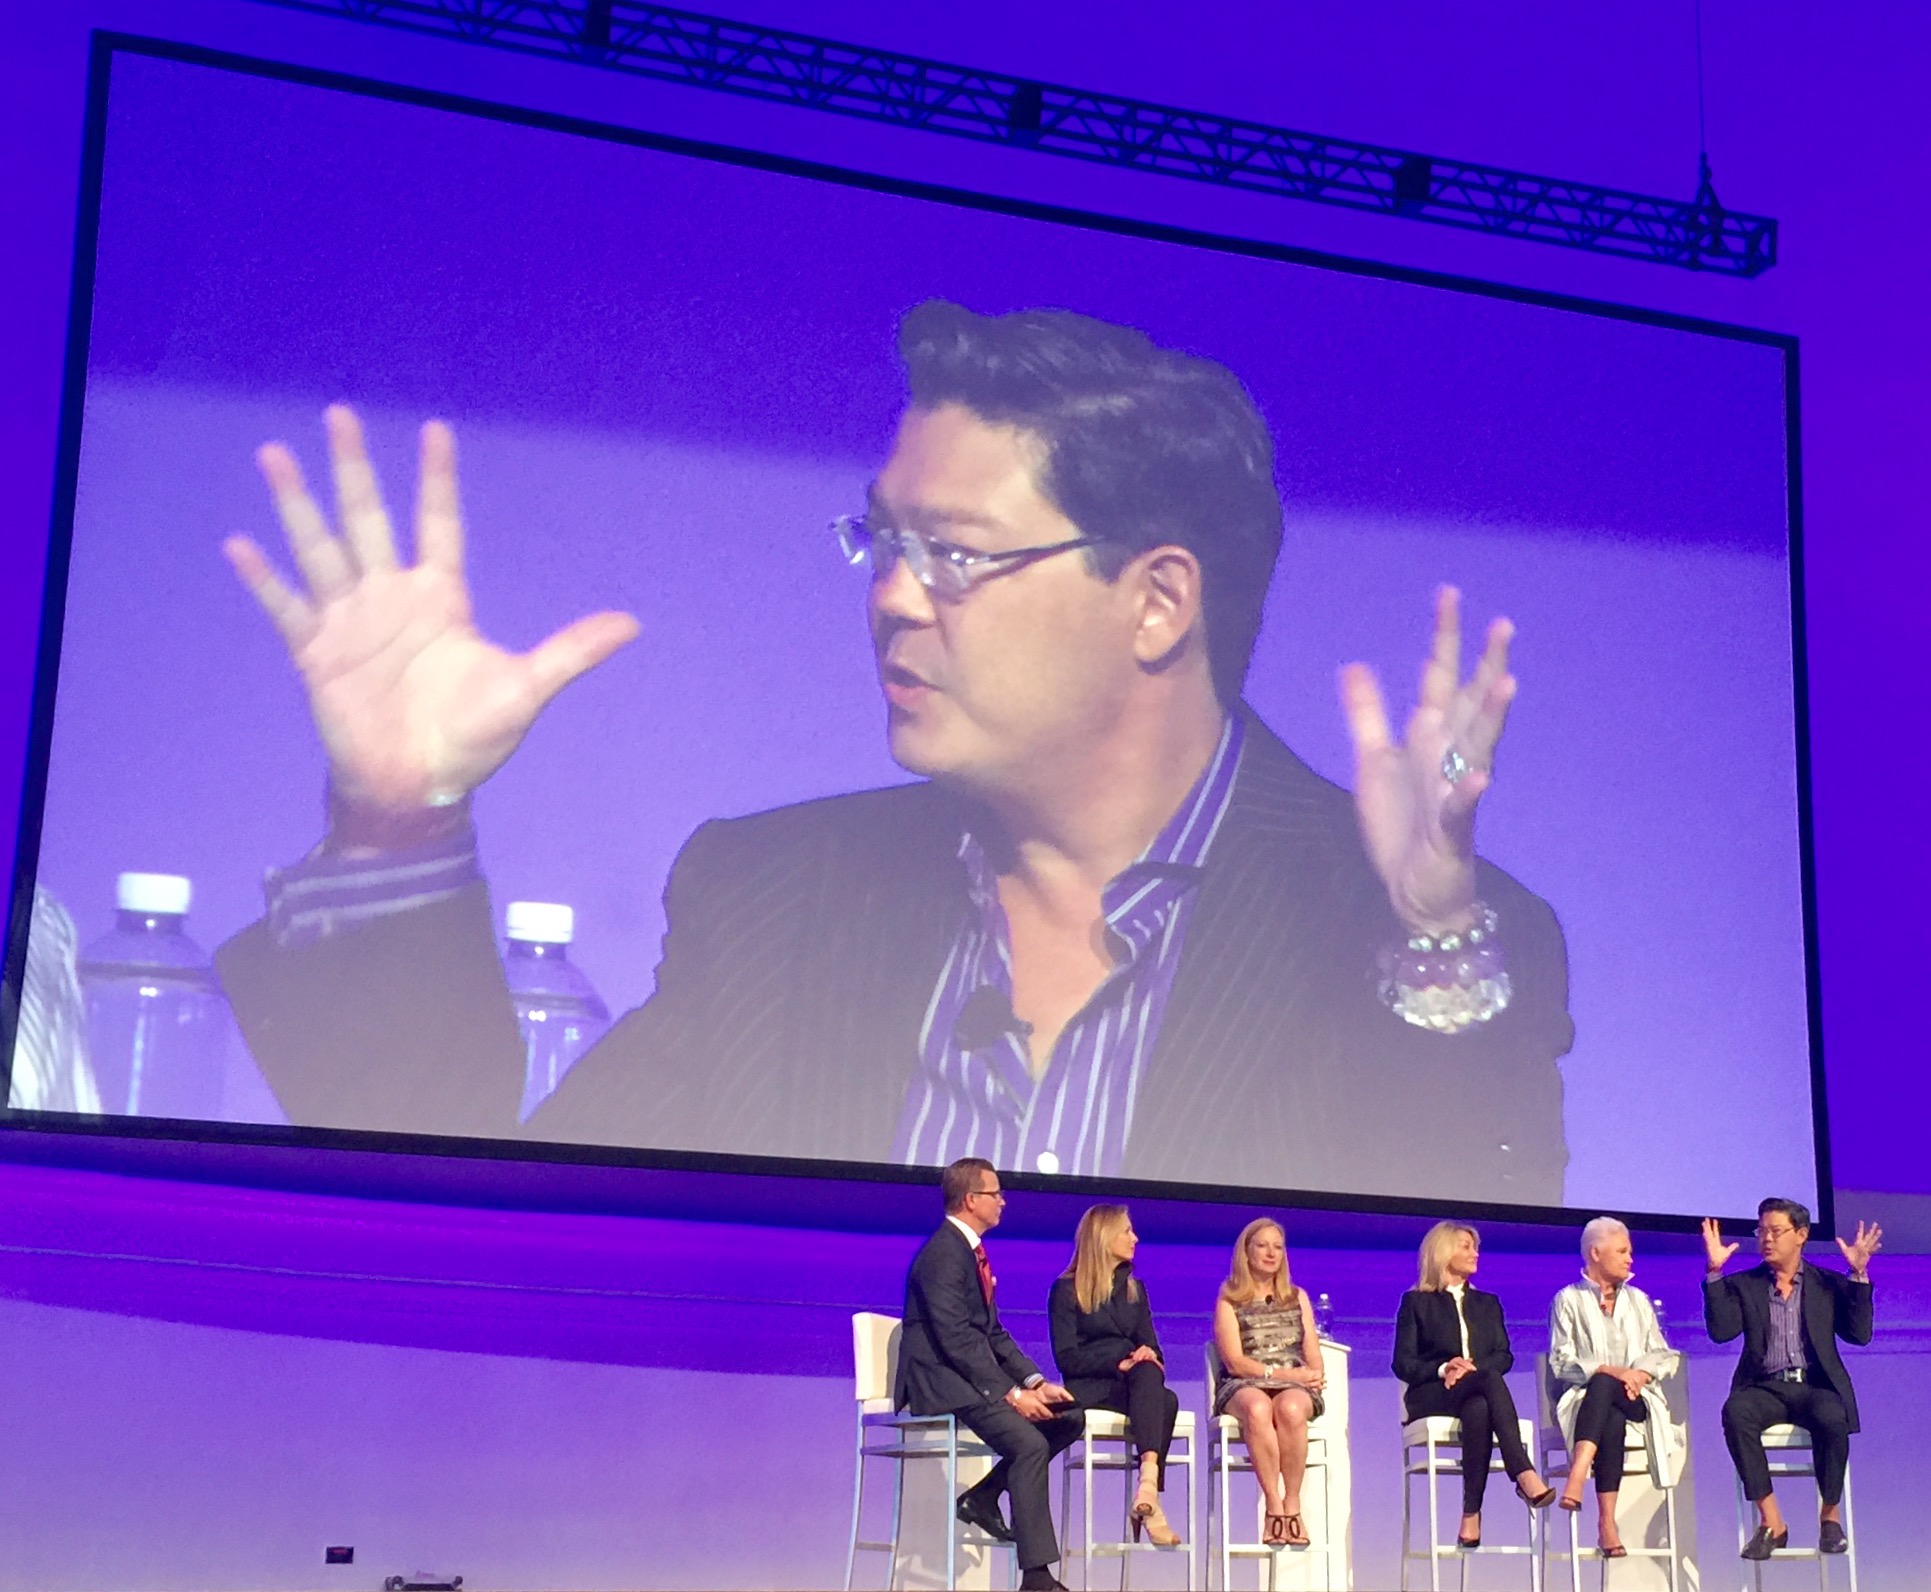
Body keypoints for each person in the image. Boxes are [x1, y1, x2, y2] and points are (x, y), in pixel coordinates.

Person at [213, 301, 1572, 1199]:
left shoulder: (1406, 931)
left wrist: (1427, 933)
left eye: (955, 555)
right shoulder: (772, 896)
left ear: (1157, 602)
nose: (891, 596)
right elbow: (503, 1231)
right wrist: (394, 820)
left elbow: (1456, 1303)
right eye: (882, 541)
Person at [898, 1157, 1082, 1591]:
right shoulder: (943, 1254)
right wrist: (1010, 1395)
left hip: (967, 1375)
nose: (1003, 1201)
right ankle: (1036, 1578)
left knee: (1069, 1418)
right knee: (1028, 1444)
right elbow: (956, 1339)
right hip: (942, 1380)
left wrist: (1035, 1382)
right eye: (994, 1193)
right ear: (970, 1199)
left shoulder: (969, 1253)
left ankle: (983, 1496)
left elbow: (992, 1333)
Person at [1703, 1200, 1879, 1560]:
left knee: (1833, 1416)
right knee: (1736, 1412)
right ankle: (1772, 1522)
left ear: (1801, 1235)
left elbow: (1859, 1335)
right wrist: (1715, 1272)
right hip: (1764, 1386)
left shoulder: (1826, 1284)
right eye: (1761, 1231)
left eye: (1775, 1231)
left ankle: (1830, 1518)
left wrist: (1858, 1275)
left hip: (1813, 1386)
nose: (1766, 1239)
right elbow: (1721, 1333)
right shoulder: (1745, 1284)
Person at [1394, 1220, 1555, 1548]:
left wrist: (1470, 1368)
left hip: (1476, 1389)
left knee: (1480, 1406)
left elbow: (1503, 1356)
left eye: (1476, 1247)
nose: (1475, 1254)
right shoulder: (1416, 1303)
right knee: (1488, 1381)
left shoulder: (1488, 1303)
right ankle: (1522, 1471)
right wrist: (1444, 1368)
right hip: (1431, 1392)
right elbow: (1403, 1363)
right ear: (1443, 1252)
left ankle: (1471, 1514)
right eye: (1466, 1247)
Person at [1546, 1216, 1681, 1557]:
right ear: (1596, 1253)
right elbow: (1561, 1361)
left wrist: (1639, 1375)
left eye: (1629, 1252)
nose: (1630, 1259)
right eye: (1622, 1251)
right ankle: (1607, 1523)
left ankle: (1578, 1472)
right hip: (1587, 1400)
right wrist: (1610, 1371)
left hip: (1637, 1398)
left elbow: (1662, 1353)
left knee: (1608, 1386)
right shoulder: (1568, 1299)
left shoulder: (1639, 1300)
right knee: (1608, 1403)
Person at [1047, 1204, 1182, 1546]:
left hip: (1133, 1383)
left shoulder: (1136, 1290)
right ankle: (1152, 1499)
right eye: (1127, 1231)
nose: (1135, 1238)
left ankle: (1147, 1485)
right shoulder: (1065, 1290)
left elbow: (1153, 1348)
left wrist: (1148, 1354)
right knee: (1165, 1401)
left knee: (1152, 1376)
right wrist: (1117, 1361)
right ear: (1104, 1237)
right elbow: (1066, 1359)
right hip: (1091, 1387)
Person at [1212, 1217, 1325, 1548]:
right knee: (1259, 1407)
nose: (1271, 1253)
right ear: (1246, 1252)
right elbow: (1235, 1361)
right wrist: (1283, 1375)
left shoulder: (1297, 1296)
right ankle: (1273, 1505)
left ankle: (1293, 1504)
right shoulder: (1230, 1298)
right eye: (1262, 1246)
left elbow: (1312, 1352)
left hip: (1295, 1384)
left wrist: (1313, 1374)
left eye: (1277, 1247)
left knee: (1290, 1408)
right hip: (1244, 1382)